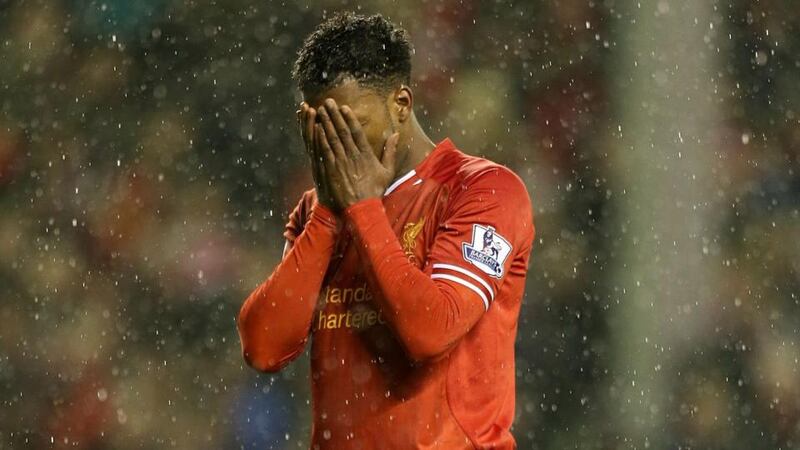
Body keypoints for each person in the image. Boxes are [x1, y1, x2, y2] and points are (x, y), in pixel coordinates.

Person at [237, 12, 535, 449]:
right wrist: (328, 214)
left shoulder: (483, 191)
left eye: (351, 123)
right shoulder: (319, 211)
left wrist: (362, 207)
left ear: (401, 104)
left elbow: (430, 332)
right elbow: (264, 348)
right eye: (322, 127)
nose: (338, 143)